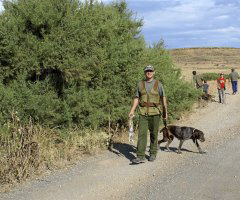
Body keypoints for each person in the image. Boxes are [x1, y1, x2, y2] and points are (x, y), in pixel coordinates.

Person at [129, 65, 168, 164]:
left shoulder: (158, 84)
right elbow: (136, 98)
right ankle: (140, 156)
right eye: (147, 71)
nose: (149, 72)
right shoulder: (140, 84)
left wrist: (165, 112)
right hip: (143, 113)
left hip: (155, 113)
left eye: (151, 71)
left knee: (154, 134)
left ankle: (153, 153)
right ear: (145, 72)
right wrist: (132, 110)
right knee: (142, 134)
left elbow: (163, 97)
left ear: (154, 72)